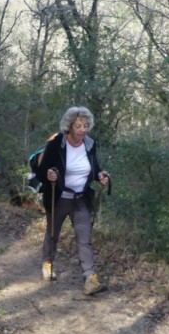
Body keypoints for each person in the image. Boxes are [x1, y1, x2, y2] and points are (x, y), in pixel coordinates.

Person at [29, 106, 111, 295]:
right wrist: (48, 175)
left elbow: (94, 168)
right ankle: (48, 263)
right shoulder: (57, 143)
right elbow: (41, 172)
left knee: (85, 238)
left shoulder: (90, 144)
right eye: (78, 126)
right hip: (58, 197)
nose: (83, 129)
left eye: (86, 125)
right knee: (52, 234)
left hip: (81, 198)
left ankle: (90, 278)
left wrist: (101, 176)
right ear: (69, 127)